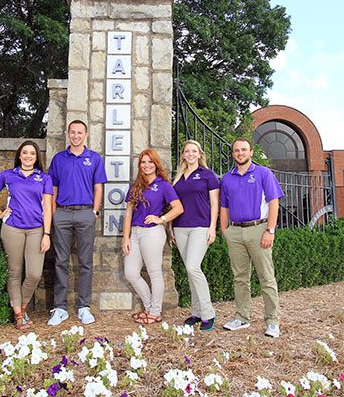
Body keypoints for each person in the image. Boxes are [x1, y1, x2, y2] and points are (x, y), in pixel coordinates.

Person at [0, 140, 53, 331]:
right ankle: (19, 314)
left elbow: (47, 207)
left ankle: (22, 306)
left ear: (37, 157)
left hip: (36, 230)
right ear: (19, 155)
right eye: (25, 153)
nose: (28, 156)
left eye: (32, 153)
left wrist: (47, 233)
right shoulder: (8, 175)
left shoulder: (44, 178)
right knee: (14, 272)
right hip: (12, 228)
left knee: (34, 273)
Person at [219, 137, 284, 338]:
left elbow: (274, 202)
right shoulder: (227, 178)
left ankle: (272, 321)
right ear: (232, 154)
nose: (240, 153)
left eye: (244, 150)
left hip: (259, 229)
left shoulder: (264, 173)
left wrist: (270, 230)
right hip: (235, 231)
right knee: (239, 277)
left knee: (266, 277)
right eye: (236, 150)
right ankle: (241, 317)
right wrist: (225, 231)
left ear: (251, 152)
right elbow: (224, 207)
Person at [47, 120, 107, 326]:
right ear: (68, 134)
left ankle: (83, 307)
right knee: (60, 261)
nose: (76, 136)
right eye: (72, 132)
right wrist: (54, 213)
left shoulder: (94, 159)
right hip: (62, 214)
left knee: (85, 262)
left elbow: (98, 187)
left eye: (79, 132)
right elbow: (52, 188)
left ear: (86, 134)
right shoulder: (58, 159)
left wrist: (95, 211)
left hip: (85, 214)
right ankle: (60, 308)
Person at [122, 149, 183, 324]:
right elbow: (128, 213)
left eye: (150, 162)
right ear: (140, 165)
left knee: (154, 272)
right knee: (131, 273)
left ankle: (155, 312)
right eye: (143, 162)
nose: (146, 165)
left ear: (156, 164)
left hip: (152, 233)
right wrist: (126, 238)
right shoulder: (136, 185)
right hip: (134, 232)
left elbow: (178, 208)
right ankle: (149, 307)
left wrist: (161, 219)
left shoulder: (163, 185)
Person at [171, 140, 219, 331]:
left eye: (194, 151)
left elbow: (214, 203)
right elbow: (173, 205)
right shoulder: (178, 178)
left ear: (200, 154)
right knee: (191, 271)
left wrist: (212, 227)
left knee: (193, 267)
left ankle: (209, 313)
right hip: (180, 228)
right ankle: (196, 313)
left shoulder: (208, 175)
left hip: (200, 226)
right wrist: (170, 228)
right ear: (183, 155)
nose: (190, 154)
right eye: (187, 151)